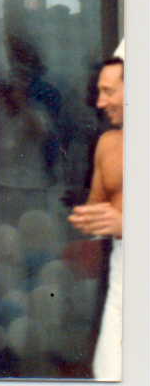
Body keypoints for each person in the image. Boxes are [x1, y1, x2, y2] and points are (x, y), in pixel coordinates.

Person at [69, 53, 123, 380]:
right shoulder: (108, 143)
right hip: (124, 275)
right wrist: (90, 221)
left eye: (109, 91)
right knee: (110, 370)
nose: (101, 103)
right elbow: (99, 207)